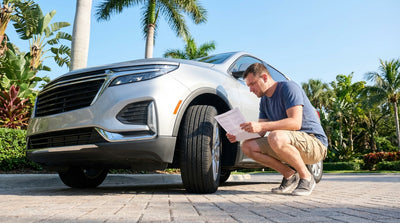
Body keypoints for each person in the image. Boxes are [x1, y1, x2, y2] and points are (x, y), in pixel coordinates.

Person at [226, 63, 328, 196]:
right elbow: (260, 132)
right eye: (248, 85)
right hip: (290, 142)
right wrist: (239, 135)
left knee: (276, 136)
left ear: (265, 77)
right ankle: (289, 175)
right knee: (247, 146)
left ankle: (306, 177)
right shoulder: (264, 101)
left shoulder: (288, 88)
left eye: (252, 84)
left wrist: (261, 126)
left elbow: (295, 123)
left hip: (315, 143)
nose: (250, 89)